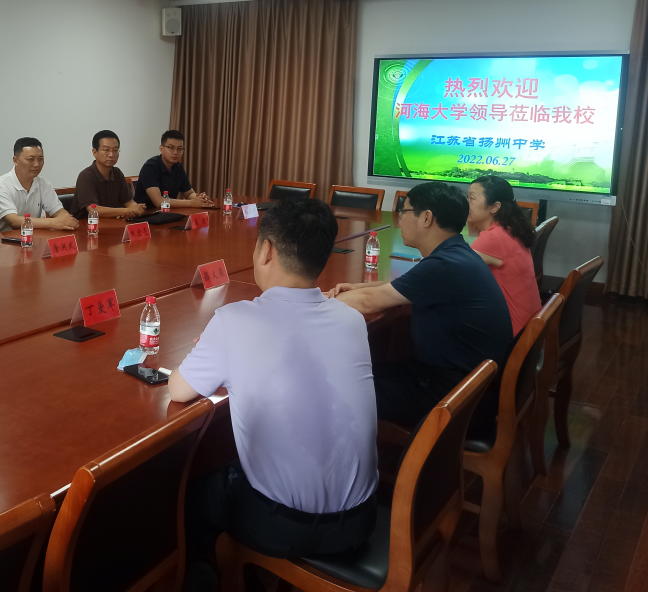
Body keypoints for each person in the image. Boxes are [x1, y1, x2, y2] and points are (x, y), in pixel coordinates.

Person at [169, 199, 378, 591]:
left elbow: (179, 390)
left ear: (266, 250)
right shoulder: (351, 320)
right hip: (361, 520)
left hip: (284, 528)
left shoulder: (234, 320)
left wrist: (216, 349)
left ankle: (210, 574)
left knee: (187, 496)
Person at [327, 181, 512, 430]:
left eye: (403, 211)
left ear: (426, 218)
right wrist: (356, 287)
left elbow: (368, 302)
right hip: (462, 383)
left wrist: (315, 301)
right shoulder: (457, 253)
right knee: (358, 372)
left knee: (336, 389)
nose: (399, 219)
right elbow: (404, 285)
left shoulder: (445, 265)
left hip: (452, 398)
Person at [467, 175, 541, 336]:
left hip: (510, 333)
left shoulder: (493, 238)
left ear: (494, 207)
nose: (465, 204)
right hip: (528, 328)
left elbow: (452, 274)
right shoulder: (509, 229)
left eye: (471, 199)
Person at [0, 137, 80, 233]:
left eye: (40, 159)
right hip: (2, 240)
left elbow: (58, 211)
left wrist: (65, 219)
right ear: (15, 160)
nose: (37, 164)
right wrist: (53, 222)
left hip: (34, 237)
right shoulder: (0, 186)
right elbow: (14, 221)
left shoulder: (43, 183)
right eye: (30, 159)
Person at [71, 130, 146, 220]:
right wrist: (128, 210)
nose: (111, 154)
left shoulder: (117, 173)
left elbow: (129, 202)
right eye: (106, 150)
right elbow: (94, 210)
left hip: (110, 223)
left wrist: (137, 208)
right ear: (95, 152)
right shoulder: (86, 176)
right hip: (85, 225)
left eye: (115, 150)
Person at [135, 130, 215, 209]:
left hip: (167, 213)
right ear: (161, 149)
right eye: (171, 148)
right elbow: (159, 203)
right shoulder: (150, 167)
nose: (176, 152)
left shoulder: (178, 167)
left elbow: (189, 193)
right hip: (146, 214)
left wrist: (200, 199)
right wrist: (192, 203)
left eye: (180, 149)